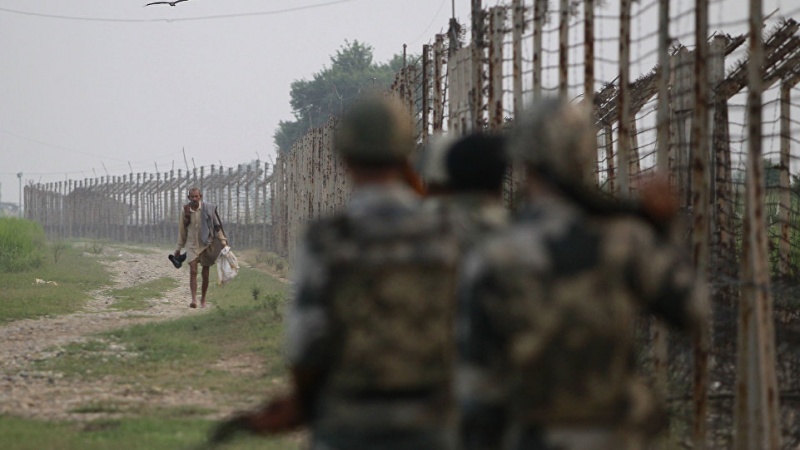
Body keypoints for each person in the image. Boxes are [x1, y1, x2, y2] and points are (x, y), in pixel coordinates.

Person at [455, 97, 708, 450]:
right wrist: (666, 230)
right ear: (585, 153)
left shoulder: (494, 255)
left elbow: (479, 387)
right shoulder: (625, 240)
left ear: (522, 159)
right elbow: (694, 310)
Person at [212, 96, 460, 449]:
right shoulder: (448, 232)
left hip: (348, 422)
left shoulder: (329, 238)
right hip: (434, 423)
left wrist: (303, 401)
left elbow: (307, 340)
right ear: (407, 151)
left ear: (344, 157)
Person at [174, 187, 227, 308]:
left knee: (205, 273)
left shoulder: (208, 209)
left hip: (206, 244)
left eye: (196, 196)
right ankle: (194, 299)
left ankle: (203, 298)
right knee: (193, 271)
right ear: (188, 197)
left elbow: (216, 226)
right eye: (192, 196)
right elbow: (182, 231)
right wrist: (179, 248)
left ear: (200, 197)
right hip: (192, 245)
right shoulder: (185, 210)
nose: (194, 198)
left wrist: (223, 240)